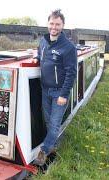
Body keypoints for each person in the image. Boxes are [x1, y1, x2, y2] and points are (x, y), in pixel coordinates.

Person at [33, 9, 77, 165]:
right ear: (47, 24)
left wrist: (64, 95)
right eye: (52, 23)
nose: (54, 27)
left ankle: (44, 151)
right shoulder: (44, 41)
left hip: (59, 92)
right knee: (48, 121)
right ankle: (52, 145)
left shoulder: (68, 47)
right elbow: (41, 53)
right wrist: (36, 57)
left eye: (58, 24)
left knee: (54, 123)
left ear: (63, 25)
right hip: (46, 89)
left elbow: (71, 73)